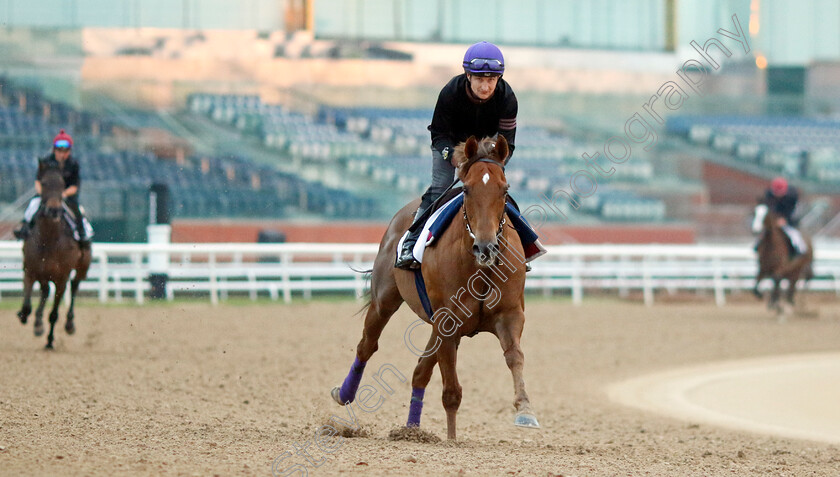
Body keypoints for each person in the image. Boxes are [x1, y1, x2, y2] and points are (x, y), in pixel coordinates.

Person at [395, 41, 518, 269]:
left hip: (487, 150)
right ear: (468, 76)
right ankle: (411, 242)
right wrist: (451, 155)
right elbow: (438, 134)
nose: (485, 86)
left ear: (498, 80)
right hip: (450, 144)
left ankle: (524, 245)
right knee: (439, 188)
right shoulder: (450, 93)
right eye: (480, 79)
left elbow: (507, 143)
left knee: (498, 189)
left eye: (491, 80)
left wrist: (494, 163)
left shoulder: (507, 98)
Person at [14, 129, 90, 246]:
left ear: (69, 151)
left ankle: (82, 233)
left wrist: (62, 195)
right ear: (55, 150)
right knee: (33, 206)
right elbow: (38, 182)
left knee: (77, 211)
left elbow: (75, 186)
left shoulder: (73, 164)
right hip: (47, 195)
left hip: (66, 196)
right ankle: (25, 227)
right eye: (59, 150)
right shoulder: (46, 162)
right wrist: (45, 194)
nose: (62, 154)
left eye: (65, 151)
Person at [761, 176, 807, 256]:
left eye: (779, 192)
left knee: (794, 234)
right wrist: (774, 219)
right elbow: (769, 208)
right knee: (764, 234)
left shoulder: (792, 197)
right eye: (776, 192)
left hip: (789, 221)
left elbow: (795, 212)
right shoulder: (769, 196)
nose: (778, 195)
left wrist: (786, 220)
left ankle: (800, 250)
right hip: (774, 221)